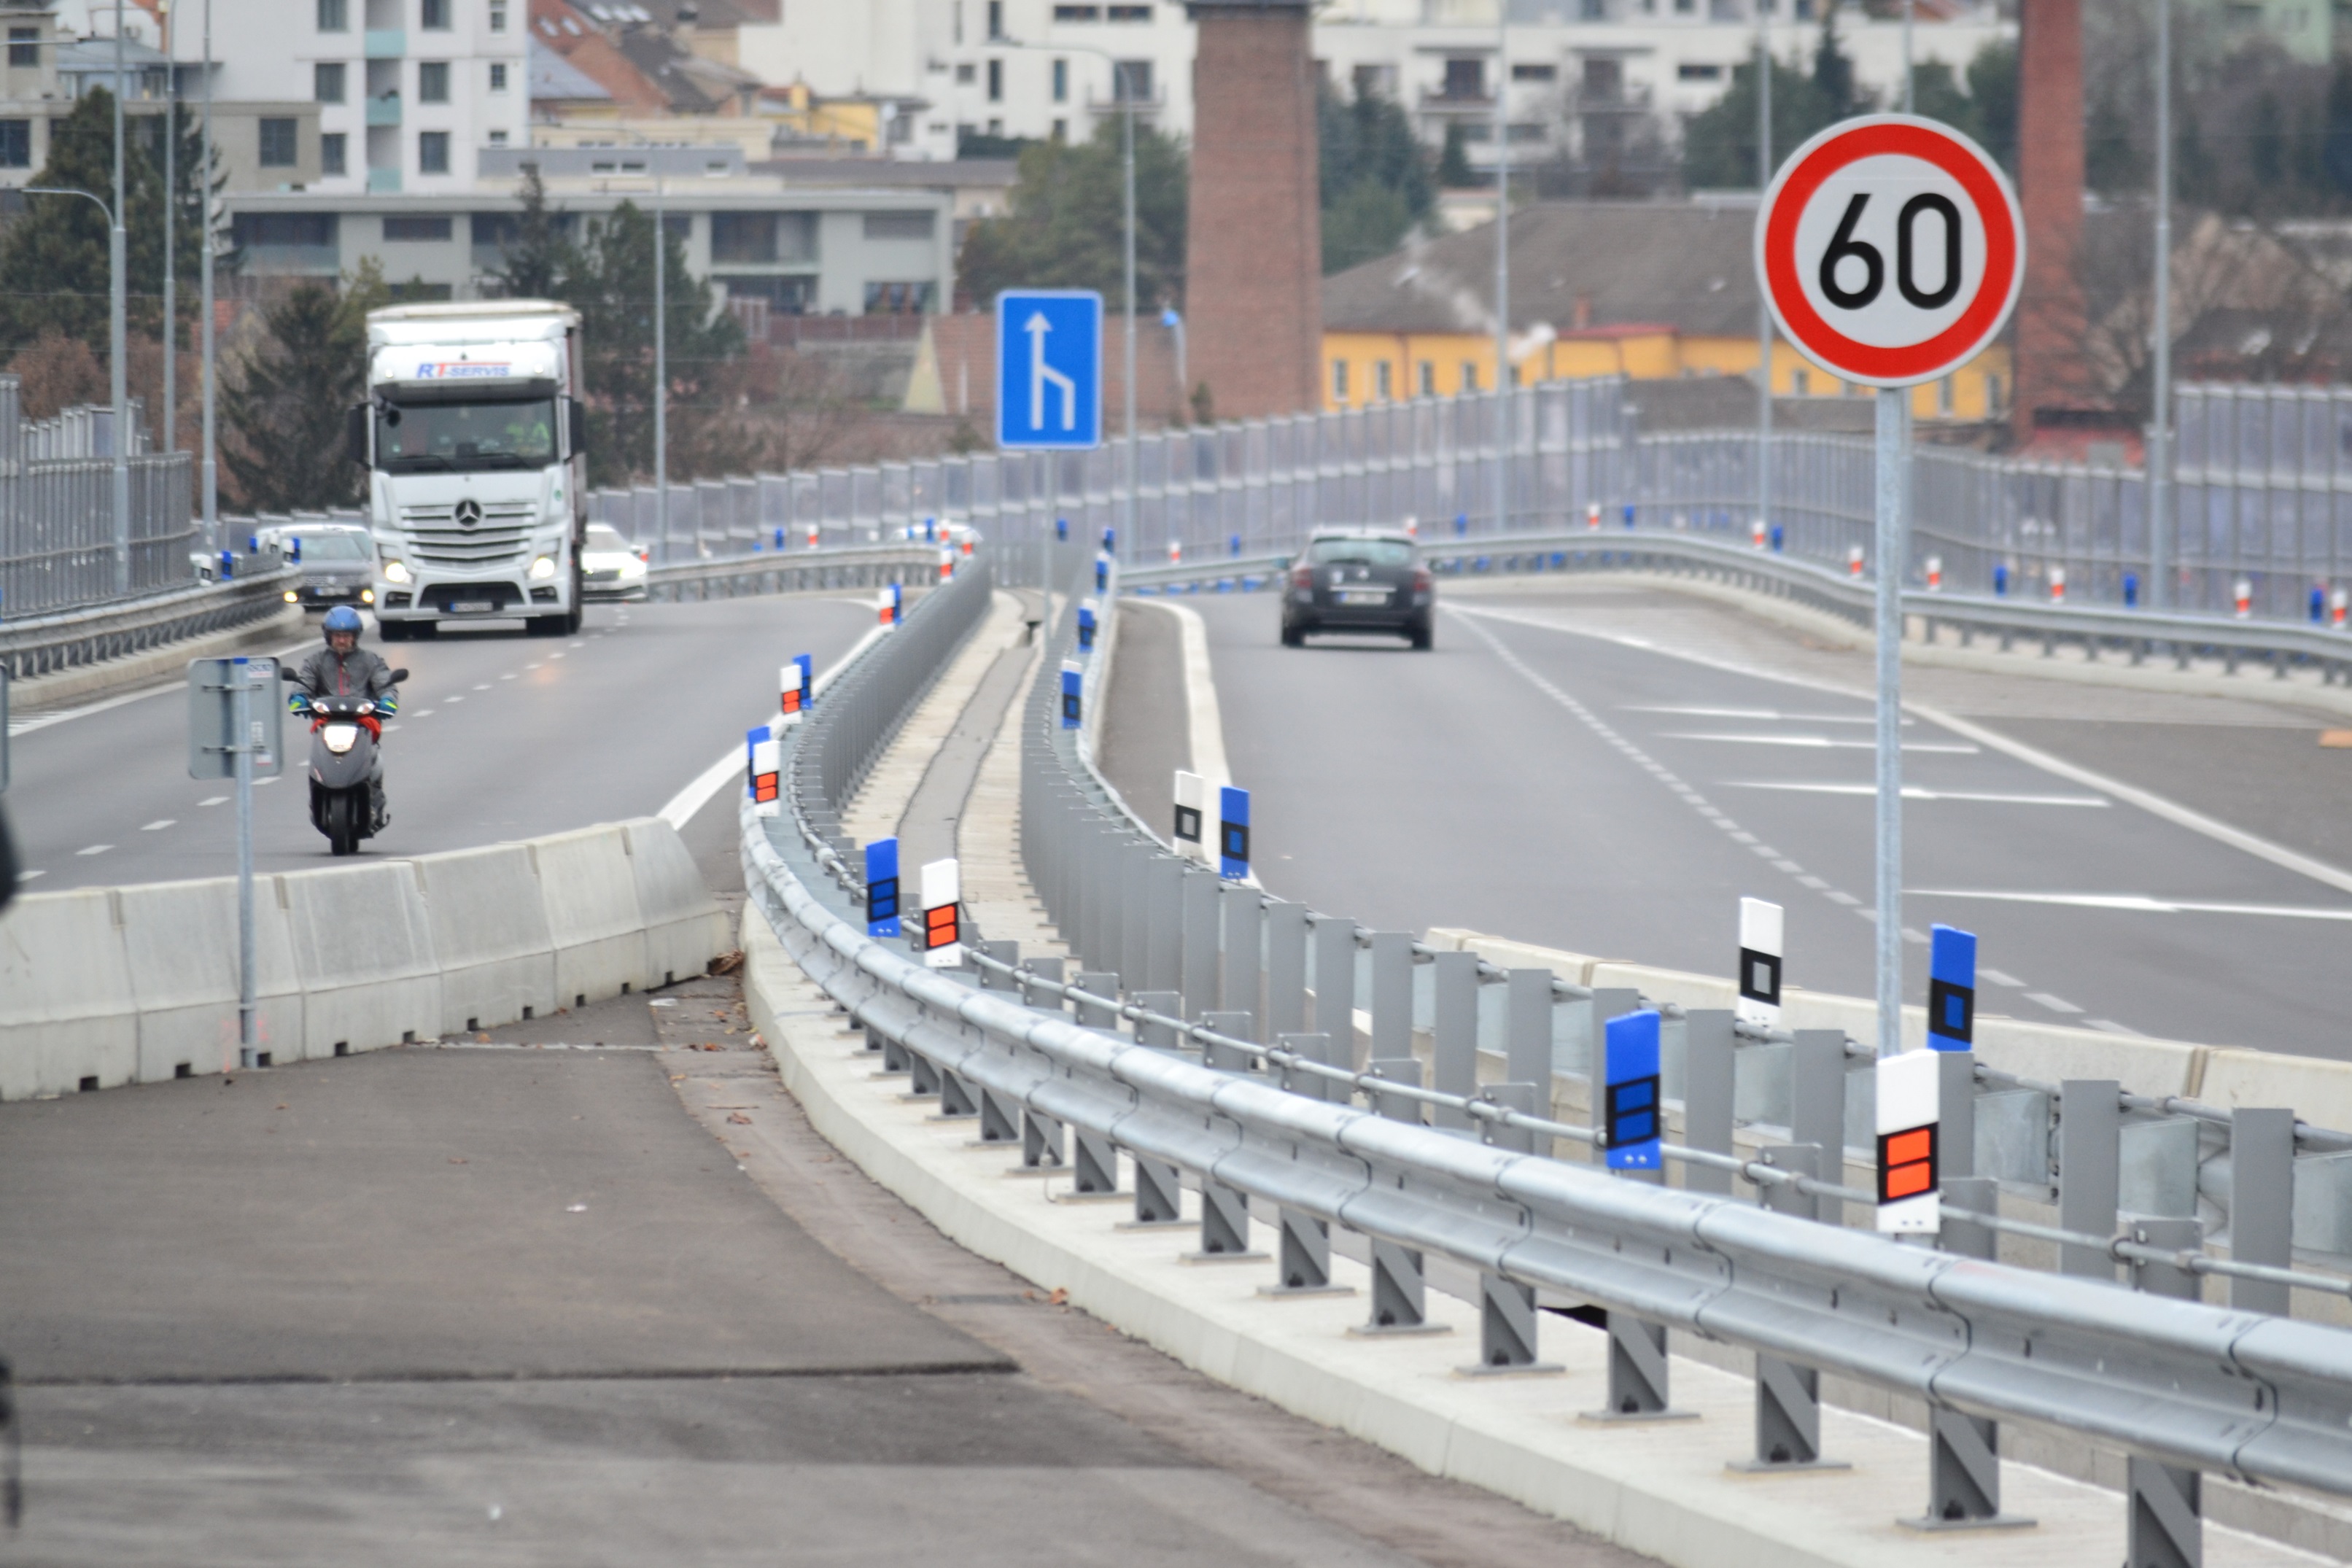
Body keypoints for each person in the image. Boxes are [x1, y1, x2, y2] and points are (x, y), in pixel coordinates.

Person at [291, 605, 400, 828]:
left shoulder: (371, 660)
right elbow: (302, 684)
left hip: (361, 723)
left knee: (374, 757)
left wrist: (388, 700)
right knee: (316, 757)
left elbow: (385, 685)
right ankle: (318, 793)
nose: (342, 640)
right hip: (327, 722)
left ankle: (374, 798)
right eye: (337, 636)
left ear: (355, 637)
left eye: (347, 636)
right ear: (328, 636)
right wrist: (299, 699)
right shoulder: (315, 661)